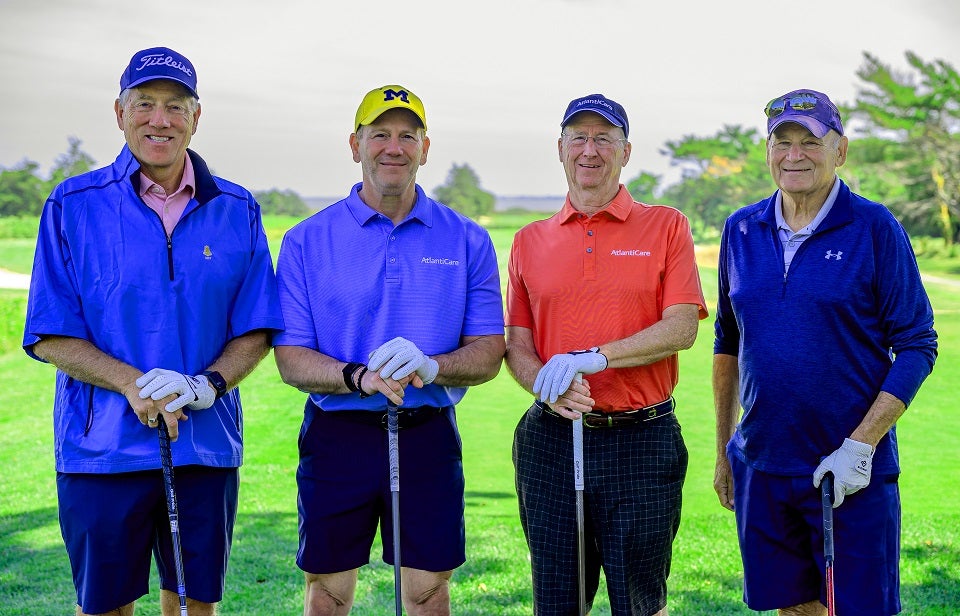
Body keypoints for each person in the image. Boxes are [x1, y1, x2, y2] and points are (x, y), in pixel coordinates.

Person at [22, 46, 284, 616]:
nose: (159, 120)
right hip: (101, 450)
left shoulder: (237, 208)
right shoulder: (72, 204)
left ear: (196, 115)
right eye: (144, 104)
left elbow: (257, 328)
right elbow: (48, 333)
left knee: (192, 606)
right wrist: (132, 385)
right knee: (105, 607)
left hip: (203, 444)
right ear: (120, 113)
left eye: (174, 105)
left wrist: (207, 384)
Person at [273, 84, 505, 616]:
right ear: (355, 144)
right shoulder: (307, 240)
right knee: (328, 592)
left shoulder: (466, 239)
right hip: (338, 437)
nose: (393, 147)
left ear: (426, 147)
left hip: (427, 435)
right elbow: (291, 358)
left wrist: (434, 366)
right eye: (380, 134)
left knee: (427, 592)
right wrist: (359, 377)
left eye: (408, 135)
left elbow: (490, 351)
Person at [713, 89, 938, 616]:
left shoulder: (875, 228)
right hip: (763, 465)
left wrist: (861, 446)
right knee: (792, 609)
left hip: (851, 470)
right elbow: (727, 341)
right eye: (782, 141)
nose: (794, 155)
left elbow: (917, 344)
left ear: (840, 151)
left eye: (809, 142)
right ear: (767, 151)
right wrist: (725, 448)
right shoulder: (740, 229)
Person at [505, 93, 708, 615]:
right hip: (550, 440)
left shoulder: (666, 226)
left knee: (639, 603)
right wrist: (545, 387)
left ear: (626, 150)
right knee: (556, 602)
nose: (589, 150)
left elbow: (682, 326)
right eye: (578, 137)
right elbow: (519, 344)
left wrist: (596, 356)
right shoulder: (530, 240)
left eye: (603, 138)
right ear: (560, 148)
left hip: (641, 439)